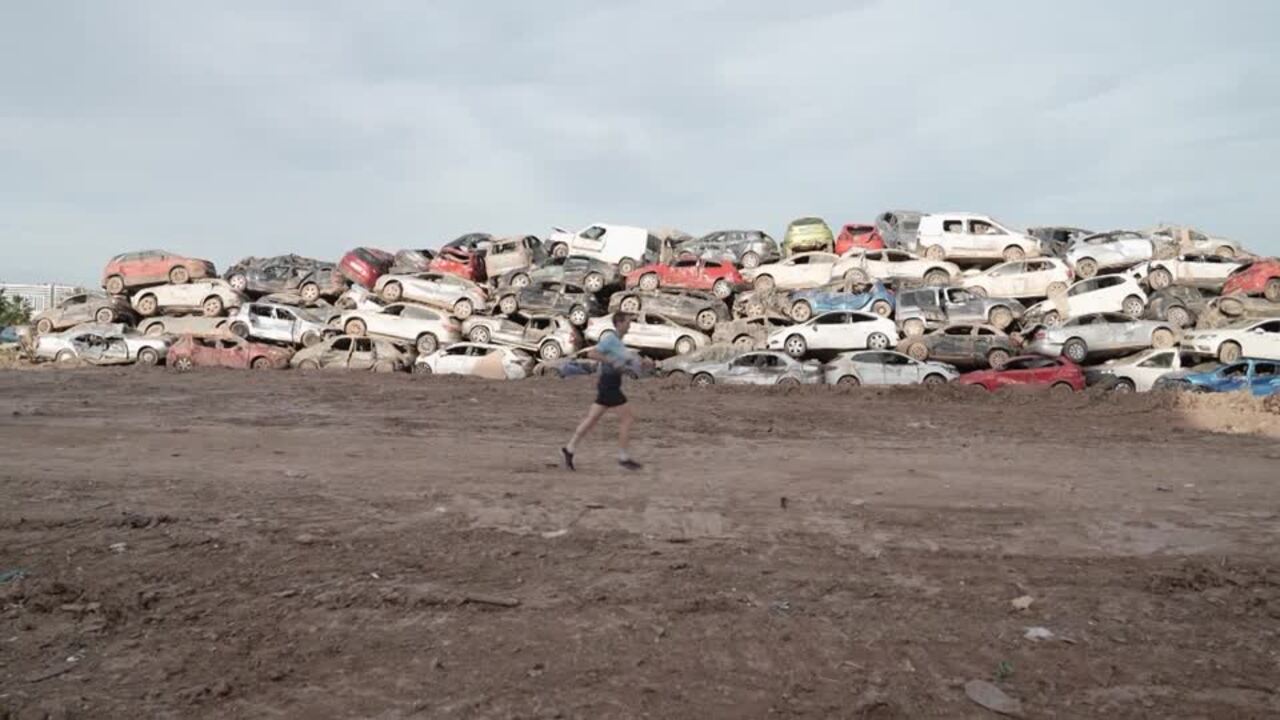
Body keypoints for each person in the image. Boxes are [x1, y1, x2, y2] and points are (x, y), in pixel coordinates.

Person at [562, 313, 645, 471]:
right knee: (628, 418)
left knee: (591, 419)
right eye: (628, 322)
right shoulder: (610, 339)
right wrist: (612, 361)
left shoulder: (618, 341)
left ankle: (569, 449)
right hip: (609, 384)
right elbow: (592, 353)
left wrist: (633, 365)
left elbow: (622, 360)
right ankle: (623, 457)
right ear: (619, 323)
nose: (630, 325)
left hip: (610, 383)